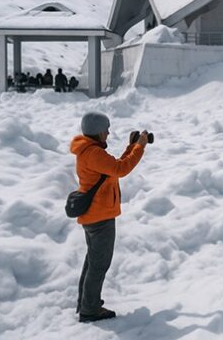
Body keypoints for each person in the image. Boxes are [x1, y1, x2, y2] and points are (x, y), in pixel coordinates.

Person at [71, 112, 149, 323]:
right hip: (100, 217)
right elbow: (121, 169)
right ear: (97, 131)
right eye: (106, 129)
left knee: (92, 262)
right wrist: (140, 146)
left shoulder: (90, 151)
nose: (108, 133)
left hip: (95, 215)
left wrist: (131, 147)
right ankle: (90, 309)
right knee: (99, 264)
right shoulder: (94, 153)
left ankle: (86, 303)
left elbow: (114, 168)